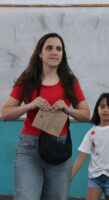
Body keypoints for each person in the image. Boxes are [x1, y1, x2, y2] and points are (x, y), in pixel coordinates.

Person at [1, 33, 90, 200]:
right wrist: (30, 105)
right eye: (49, 48)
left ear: (62, 54)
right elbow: (5, 114)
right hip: (29, 149)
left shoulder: (70, 82)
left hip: (59, 149)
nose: (54, 52)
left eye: (59, 48)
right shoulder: (27, 79)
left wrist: (68, 109)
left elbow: (86, 115)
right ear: (40, 53)